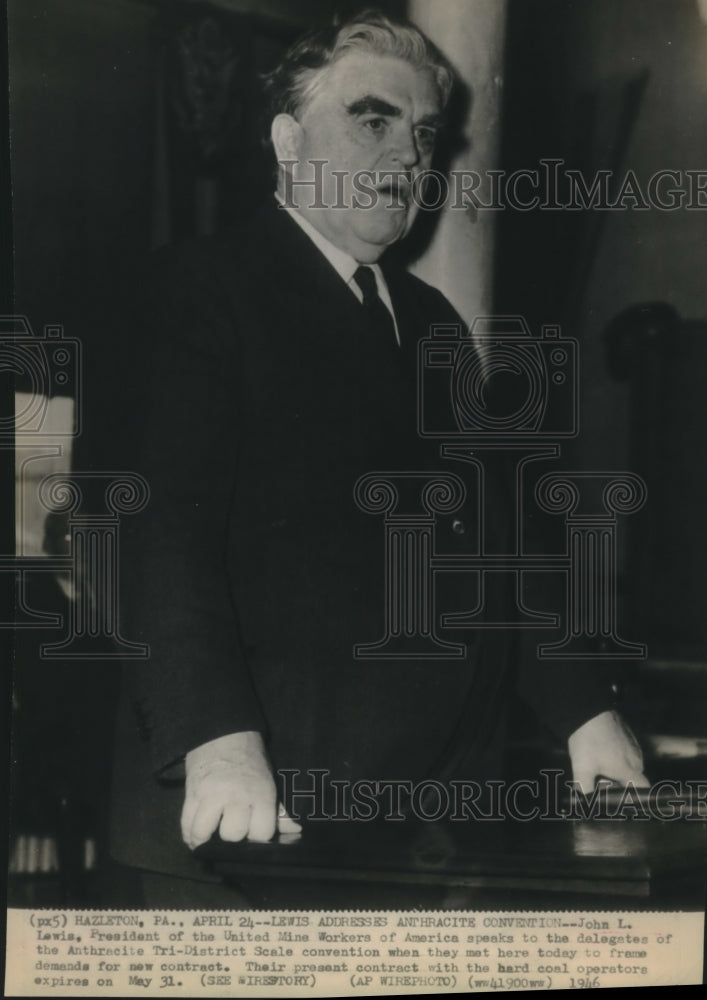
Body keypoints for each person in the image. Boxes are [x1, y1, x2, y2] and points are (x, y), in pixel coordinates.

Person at [98, 8, 647, 904]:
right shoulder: (197, 293)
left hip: (414, 830)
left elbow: (491, 548)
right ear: (287, 138)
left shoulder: (430, 323)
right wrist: (219, 742)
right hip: (248, 824)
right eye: (372, 118)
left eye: (423, 133)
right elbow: (151, 537)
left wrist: (584, 706)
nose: (407, 155)